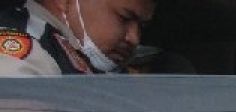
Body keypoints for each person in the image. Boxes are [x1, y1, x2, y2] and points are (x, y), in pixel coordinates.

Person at [0, 0, 153, 76]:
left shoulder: (71, 53)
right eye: (124, 18)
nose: (134, 37)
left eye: (142, 27)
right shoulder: (27, 48)